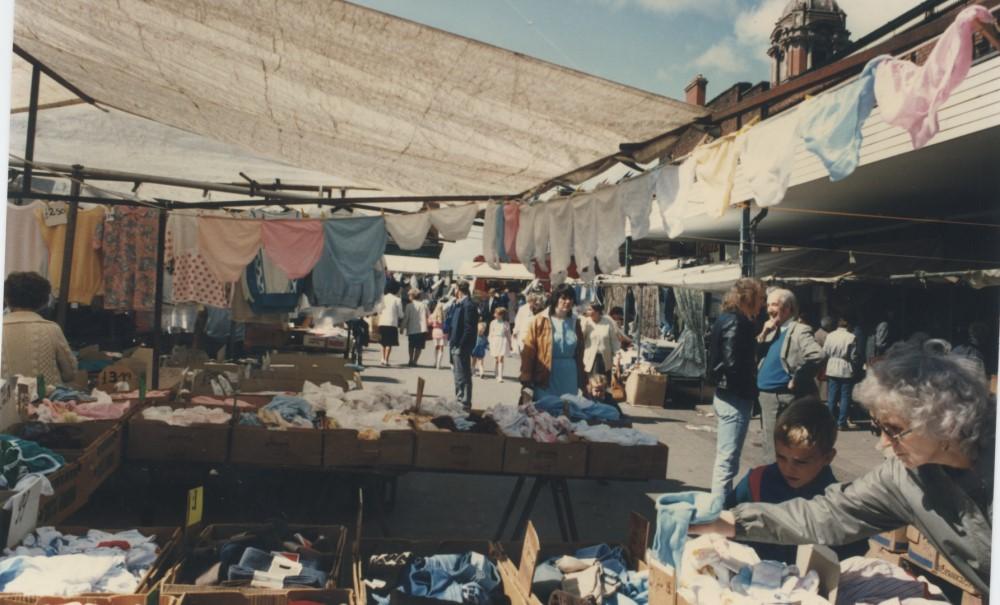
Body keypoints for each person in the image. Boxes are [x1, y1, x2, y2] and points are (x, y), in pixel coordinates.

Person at [691, 341, 994, 598]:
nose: (882, 444)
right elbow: (829, 513)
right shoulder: (903, 478)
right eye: (878, 428)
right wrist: (729, 520)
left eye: (894, 430)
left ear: (942, 421)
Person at [728, 398, 868, 563]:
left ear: (828, 457)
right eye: (781, 457)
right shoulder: (756, 482)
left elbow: (850, 560)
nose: (788, 468)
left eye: (800, 462)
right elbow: (724, 525)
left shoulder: (839, 504)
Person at [707, 278, 765, 503]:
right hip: (734, 397)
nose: (762, 304)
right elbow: (732, 363)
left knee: (726, 459)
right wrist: (748, 386)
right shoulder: (737, 321)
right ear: (748, 298)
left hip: (726, 395)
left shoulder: (727, 318)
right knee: (727, 461)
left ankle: (720, 508)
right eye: (760, 299)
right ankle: (718, 513)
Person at [756, 288, 824, 463]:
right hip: (766, 396)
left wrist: (798, 378)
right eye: (768, 305)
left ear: (788, 309)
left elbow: (817, 355)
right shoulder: (772, 329)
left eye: (774, 304)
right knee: (769, 442)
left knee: (777, 446)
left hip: (781, 397)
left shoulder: (799, 330)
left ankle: (775, 482)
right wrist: (763, 333)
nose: (769, 309)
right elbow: (755, 353)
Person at [1, 272, 77, 386]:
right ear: (43, 301)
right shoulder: (51, 329)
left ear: (6, 298)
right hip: (46, 401)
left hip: (4, 401)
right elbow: (70, 373)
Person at [520, 284, 585, 399]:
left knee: (568, 408)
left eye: (570, 298)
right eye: (564, 298)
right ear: (556, 299)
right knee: (545, 409)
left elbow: (580, 352)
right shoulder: (539, 321)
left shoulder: (575, 322)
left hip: (569, 374)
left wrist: (583, 378)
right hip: (546, 373)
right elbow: (528, 351)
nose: (568, 301)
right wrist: (526, 376)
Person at [823, 317, 861, 429]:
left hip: (832, 366)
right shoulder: (851, 337)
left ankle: (830, 420)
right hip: (845, 367)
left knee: (832, 396)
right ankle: (842, 422)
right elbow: (854, 356)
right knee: (845, 396)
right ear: (848, 326)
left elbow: (825, 352)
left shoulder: (830, 336)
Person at [448, 281, 479, 407]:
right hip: (456, 344)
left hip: (461, 345)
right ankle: (460, 398)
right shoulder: (460, 303)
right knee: (458, 374)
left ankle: (464, 401)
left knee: (462, 375)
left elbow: (469, 328)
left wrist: (461, 345)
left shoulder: (468, 305)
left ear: (458, 290)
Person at [580, 302, 625, 383]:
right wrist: (584, 324)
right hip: (590, 360)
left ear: (597, 311)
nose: (587, 311)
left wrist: (617, 357)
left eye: (590, 309)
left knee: (604, 385)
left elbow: (614, 341)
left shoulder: (607, 322)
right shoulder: (586, 322)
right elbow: (580, 338)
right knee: (592, 385)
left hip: (605, 360)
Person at [377, 283, 404, 367]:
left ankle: (382, 358)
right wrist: (402, 316)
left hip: (382, 322)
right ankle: (386, 360)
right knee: (389, 343)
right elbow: (400, 314)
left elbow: (378, 310)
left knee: (382, 342)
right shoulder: (397, 300)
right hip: (392, 323)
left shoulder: (382, 298)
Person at [403, 289, 430, 367]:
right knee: (419, 346)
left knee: (411, 345)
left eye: (409, 295)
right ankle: (415, 361)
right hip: (422, 329)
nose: (408, 296)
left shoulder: (409, 306)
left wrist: (402, 327)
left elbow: (406, 318)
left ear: (412, 296)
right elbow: (429, 315)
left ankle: (410, 359)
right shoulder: (424, 305)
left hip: (411, 328)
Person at [487, 307, 512, 383]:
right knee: (497, 359)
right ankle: (496, 371)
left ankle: (500, 376)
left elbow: (508, 334)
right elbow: (490, 333)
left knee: (501, 358)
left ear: (501, 315)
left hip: (502, 341)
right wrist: (490, 342)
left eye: (496, 314)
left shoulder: (506, 323)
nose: (495, 315)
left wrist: (510, 344)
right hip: (495, 341)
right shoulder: (493, 323)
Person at [429, 301, 448, 370]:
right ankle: (439, 365)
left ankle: (435, 362)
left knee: (436, 347)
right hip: (443, 332)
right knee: (441, 348)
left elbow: (429, 323)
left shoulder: (433, 315)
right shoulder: (445, 316)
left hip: (435, 331)